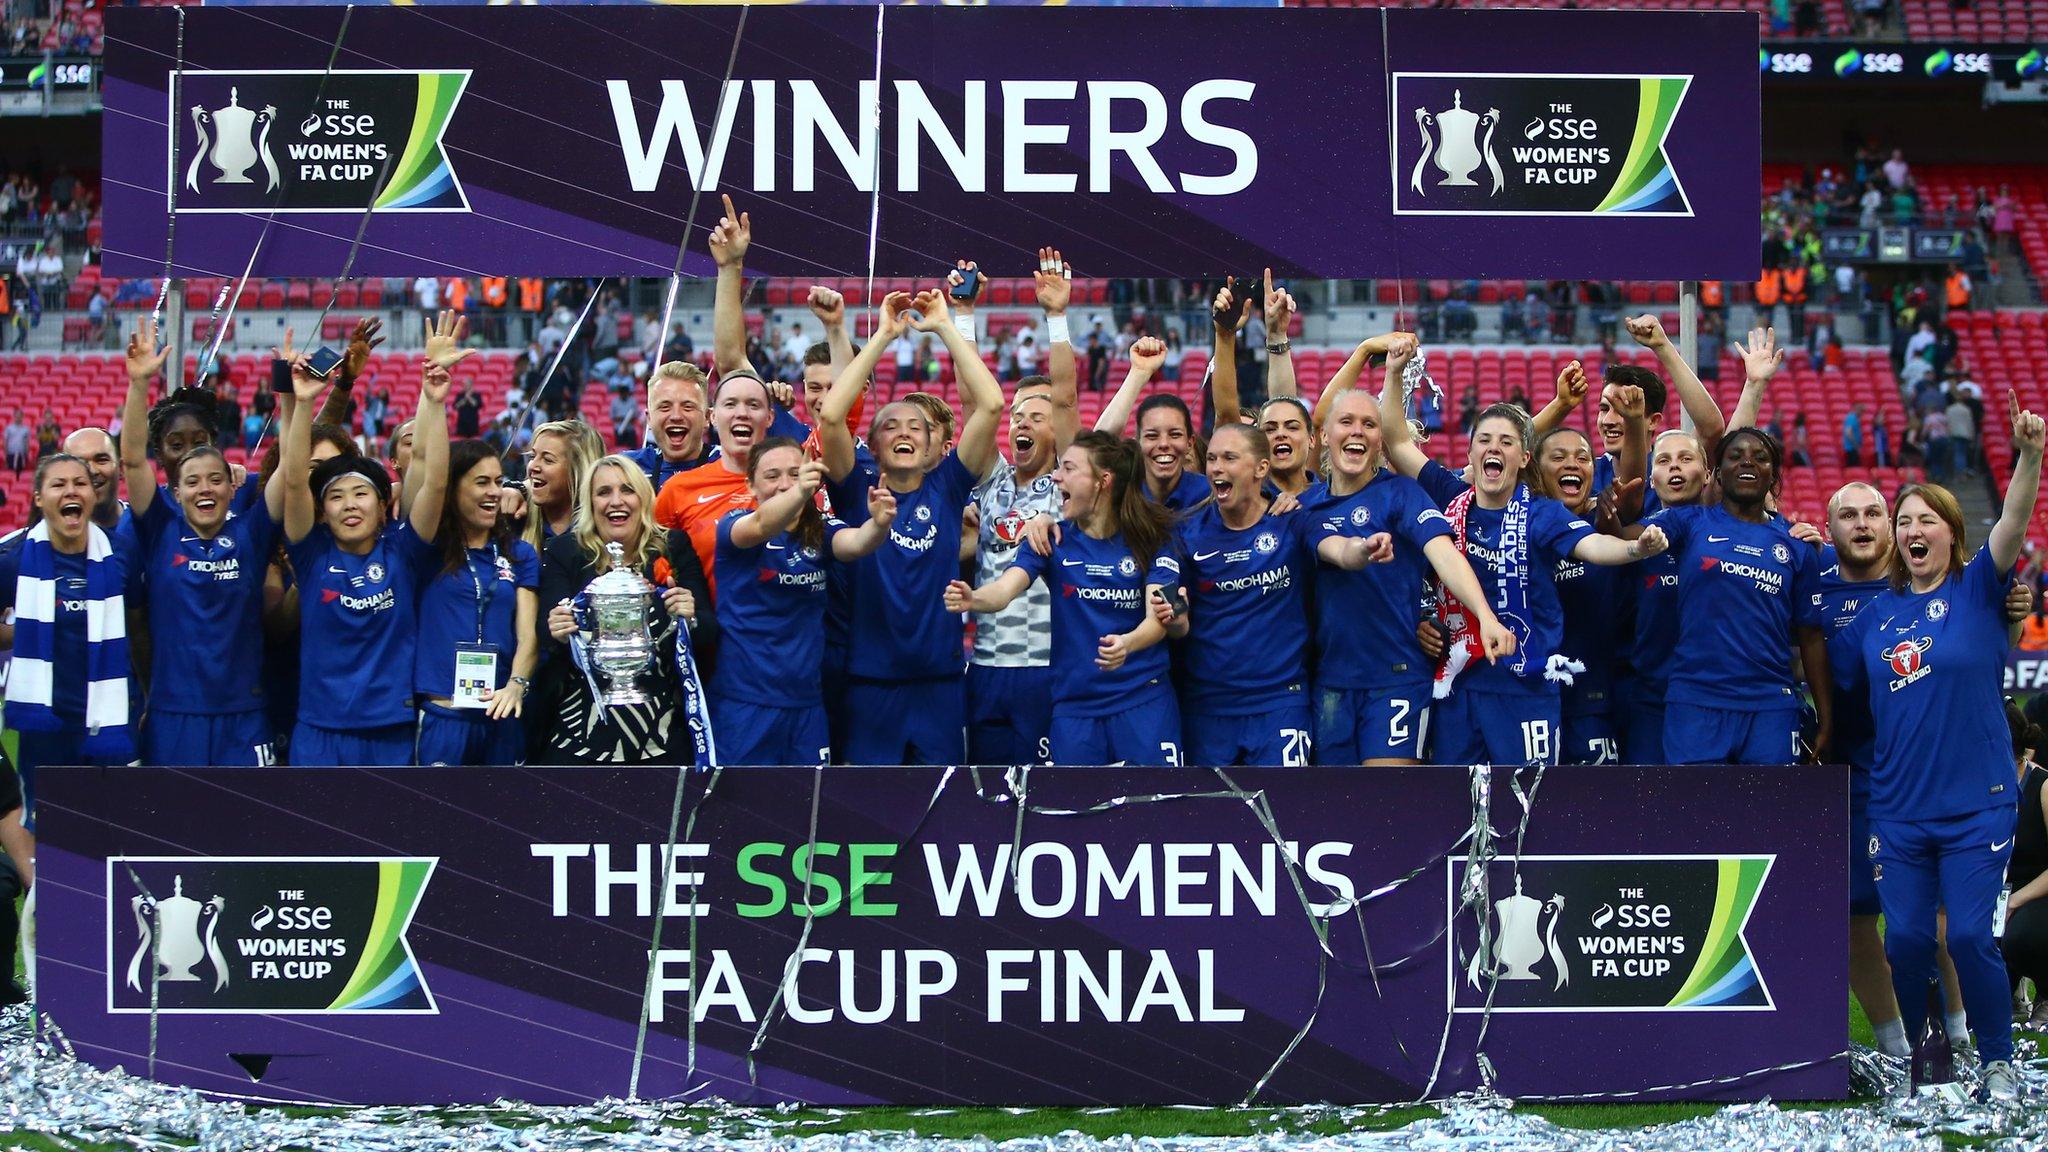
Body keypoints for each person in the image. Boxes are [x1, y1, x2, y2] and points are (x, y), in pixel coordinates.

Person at [1837, 397, 2045, 1101]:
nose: (1913, 529)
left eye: (1928, 519)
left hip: (1977, 804)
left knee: (1968, 941)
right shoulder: (1876, 617)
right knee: (1905, 944)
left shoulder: (1981, 590)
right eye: (1905, 523)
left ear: (1954, 535)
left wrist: (2029, 455)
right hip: (1897, 808)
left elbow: (2013, 518)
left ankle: (1997, 1061)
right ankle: (1932, 1062)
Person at [1379, 339, 1664, 766]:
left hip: (1525, 684)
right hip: (1461, 684)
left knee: (1533, 806)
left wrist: (1633, 547)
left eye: (1507, 442)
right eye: (1485, 440)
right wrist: (1394, 371)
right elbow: (1397, 441)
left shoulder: (1542, 514)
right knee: (1455, 807)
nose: (1494, 448)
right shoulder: (1449, 493)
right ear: (1471, 455)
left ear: (1524, 456)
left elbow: (1592, 545)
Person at [815, 290, 1002, 765]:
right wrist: (882, 336)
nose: (903, 431)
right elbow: (833, 415)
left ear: (933, 446)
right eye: (890, 426)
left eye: (916, 427)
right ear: (872, 447)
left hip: (940, 684)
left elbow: (992, 404)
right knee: (870, 813)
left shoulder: (948, 486)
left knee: (943, 812)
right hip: (871, 686)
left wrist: (944, 327)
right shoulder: (854, 489)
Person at [280, 313, 459, 766]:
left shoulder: (404, 549)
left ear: (384, 507)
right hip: (318, 732)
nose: (350, 504)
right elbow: (295, 482)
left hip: (390, 732)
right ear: (322, 511)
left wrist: (434, 399)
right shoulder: (310, 553)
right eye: (336, 496)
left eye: (362, 493)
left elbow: (435, 483)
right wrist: (302, 405)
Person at [1304, 385, 1510, 765]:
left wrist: (1485, 617)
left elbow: (1444, 554)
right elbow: (1338, 552)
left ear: (1380, 440)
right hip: (1330, 685)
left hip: (1396, 679)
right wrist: (1359, 550)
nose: (1356, 431)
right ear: (1323, 436)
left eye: (1368, 424)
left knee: (1387, 808)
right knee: (1333, 813)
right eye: (1345, 421)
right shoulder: (1304, 507)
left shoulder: (1402, 494)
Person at [948, 432, 1181, 765]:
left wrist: (1127, 644)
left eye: (1069, 468)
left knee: (1155, 812)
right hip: (1075, 709)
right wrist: (974, 598)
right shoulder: (1050, 539)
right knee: (1073, 814)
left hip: (1142, 700)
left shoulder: (1154, 536)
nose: (1056, 476)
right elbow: (1004, 590)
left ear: (1104, 481)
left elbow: (1160, 617)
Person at [119, 318, 284, 767]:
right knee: (172, 835)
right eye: (192, 481)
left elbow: (289, 467)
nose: (205, 488)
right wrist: (139, 384)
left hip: (244, 715)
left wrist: (291, 400)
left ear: (234, 486)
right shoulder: (158, 529)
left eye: (216, 478)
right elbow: (132, 459)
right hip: (175, 716)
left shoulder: (250, 531)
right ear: (175, 490)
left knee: (252, 835)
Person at [961, 251, 1083, 767]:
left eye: (1037, 415)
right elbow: (972, 405)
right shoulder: (992, 480)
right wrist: (963, 314)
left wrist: (1056, 318)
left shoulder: (1068, 486)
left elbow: (1069, 399)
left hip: (1045, 667)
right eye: (1016, 416)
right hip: (985, 667)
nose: (1020, 424)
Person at [709, 439, 892, 765]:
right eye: (772, 475)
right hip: (745, 704)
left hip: (807, 705)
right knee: (740, 812)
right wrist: (799, 492)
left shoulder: (820, 531)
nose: (784, 484)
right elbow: (764, 523)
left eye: (795, 474)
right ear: (750, 484)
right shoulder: (733, 526)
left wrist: (878, 524)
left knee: (807, 810)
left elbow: (856, 544)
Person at [535, 455, 713, 765]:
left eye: (627, 490)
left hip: (661, 731)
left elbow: (710, 632)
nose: (616, 501)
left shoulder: (673, 546)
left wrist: (691, 617)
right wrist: (558, 629)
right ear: (590, 502)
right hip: (581, 731)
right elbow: (544, 634)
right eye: (604, 492)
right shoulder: (565, 551)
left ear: (643, 497)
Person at [1159, 422, 1319, 765]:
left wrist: (1361, 550)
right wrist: (1174, 616)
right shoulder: (1187, 532)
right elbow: (1169, 591)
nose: (1217, 467)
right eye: (1212, 458)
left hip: (1280, 702)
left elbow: (1335, 548)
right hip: (1208, 708)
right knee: (1211, 817)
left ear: (1261, 467)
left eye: (1230, 458)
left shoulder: (1290, 520)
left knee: (1286, 813)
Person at [0, 452, 142, 833]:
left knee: (111, 833)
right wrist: (28, 631)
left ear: (93, 496)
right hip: (46, 725)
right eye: (58, 484)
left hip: (108, 722)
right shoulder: (13, 560)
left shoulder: (121, 554)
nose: (70, 491)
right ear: (38, 498)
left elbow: (142, 627)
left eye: (79, 483)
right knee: (51, 836)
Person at [414, 440, 541, 766]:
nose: (494, 492)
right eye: (481, 482)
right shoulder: (428, 550)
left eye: (498, 482)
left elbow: (528, 637)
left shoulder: (520, 554)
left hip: (501, 713)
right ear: (453, 488)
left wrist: (516, 685)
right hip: (444, 715)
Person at [2001, 701, 2048, 1030]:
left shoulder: (2043, 785)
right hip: (1994, 888)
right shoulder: (1972, 784)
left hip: (2036, 892)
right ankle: (2008, 992)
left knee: (2024, 936)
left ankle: (2045, 993)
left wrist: (2015, 901)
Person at [520, 419, 604, 552]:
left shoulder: (606, 532)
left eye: (548, 460)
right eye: (532, 456)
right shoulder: (517, 519)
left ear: (578, 471)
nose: (533, 467)